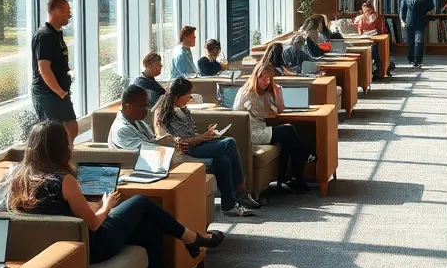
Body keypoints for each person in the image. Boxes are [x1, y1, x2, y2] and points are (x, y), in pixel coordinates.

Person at [6, 121, 222, 268]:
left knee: (148, 225)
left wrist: (92, 206)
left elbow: (56, 216)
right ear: (60, 147)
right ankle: (191, 238)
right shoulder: (65, 181)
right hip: (90, 248)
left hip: (51, 251)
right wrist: (107, 205)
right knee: (141, 202)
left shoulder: (18, 180)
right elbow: (93, 223)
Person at [152, 78, 258, 217]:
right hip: (184, 150)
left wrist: (206, 135)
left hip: (196, 145)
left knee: (223, 160)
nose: (190, 98)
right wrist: (199, 138)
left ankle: (229, 206)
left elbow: (192, 132)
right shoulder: (161, 113)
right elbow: (165, 138)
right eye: (188, 94)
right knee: (229, 142)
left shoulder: (183, 109)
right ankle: (241, 190)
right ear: (178, 96)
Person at [234, 63, 309, 192]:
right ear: (255, 77)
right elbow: (267, 114)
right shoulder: (248, 93)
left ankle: (289, 177)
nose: (265, 81)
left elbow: (279, 109)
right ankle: (300, 167)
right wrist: (272, 108)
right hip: (251, 133)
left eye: (268, 79)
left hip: (261, 129)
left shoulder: (265, 92)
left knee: (287, 139)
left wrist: (278, 92)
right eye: (262, 78)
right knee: (288, 131)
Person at [31, 0, 78, 144]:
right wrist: (59, 92)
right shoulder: (44, 36)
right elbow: (44, 68)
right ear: (56, 12)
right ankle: (52, 161)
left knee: (71, 127)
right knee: (52, 133)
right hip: (48, 92)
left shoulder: (56, 34)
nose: (69, 15)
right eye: (66, 12)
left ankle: (65, 158)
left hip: (60, 92)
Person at [107, 83, 170, 151]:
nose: (147, 110)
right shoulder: (122, 130)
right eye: (143, 107)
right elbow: (146, 150)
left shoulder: (137, 122)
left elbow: (151, 141)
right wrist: (165, 142)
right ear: (128, 107)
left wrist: (167, 140)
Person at [399, 0, 434, 70]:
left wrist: (429, 12)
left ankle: (418, 61)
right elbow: (402, 10)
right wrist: (402, 21)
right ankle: (411, 59)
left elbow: (431, 8)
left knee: (419, 42)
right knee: (411, 43)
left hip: (420, 22)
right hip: (409, 23)